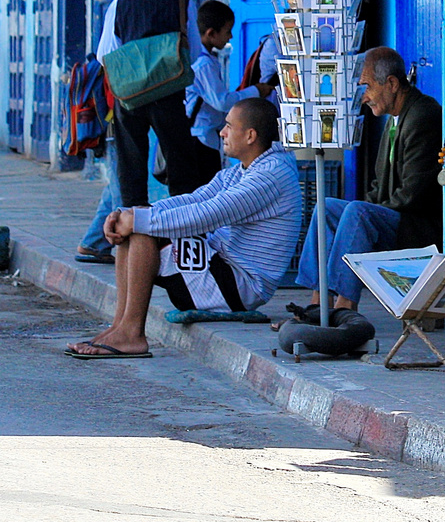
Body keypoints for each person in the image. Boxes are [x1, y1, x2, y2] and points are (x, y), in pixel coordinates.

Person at [65, 97, 301, 358]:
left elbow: (209, 214)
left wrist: (140, 221)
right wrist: (130, 213)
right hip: (222, 267)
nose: (221, 132)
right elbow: (197, 198)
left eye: (229, 126)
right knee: (139, 223)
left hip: (240, 285)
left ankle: (131, 334)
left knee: (145, 231)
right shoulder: (245, 170)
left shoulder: (270, 176)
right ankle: (119, 326)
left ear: (250, 136)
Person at [293, 47, 442, 313]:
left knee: (358, 212)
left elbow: (412, 193)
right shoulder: (395, 117)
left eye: (367, 87)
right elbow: (379, 187)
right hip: (397, 216)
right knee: (325, 208)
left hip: (418, 227)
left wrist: (367, 215)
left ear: (392, 84)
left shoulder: (423, 114)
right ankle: (318, 306)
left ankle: (344, 309)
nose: (364, 97)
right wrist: (363, 213)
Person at [98, 0, 207, 205]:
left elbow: (105, 56)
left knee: (131, 163)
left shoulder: (119, 4)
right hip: (170, 94)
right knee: (180, 161)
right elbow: (192, 53)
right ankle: (182, 225)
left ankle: (134, 230)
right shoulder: (182, 2)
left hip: (131, 97)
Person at [186, 0, 273, 175]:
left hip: (204, 135)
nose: (231, 37)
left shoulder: (203, 59)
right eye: (227, 31)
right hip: (201, 137)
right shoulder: (203, 64)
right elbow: (222, 102)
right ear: (211, 33)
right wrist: (257, 90)